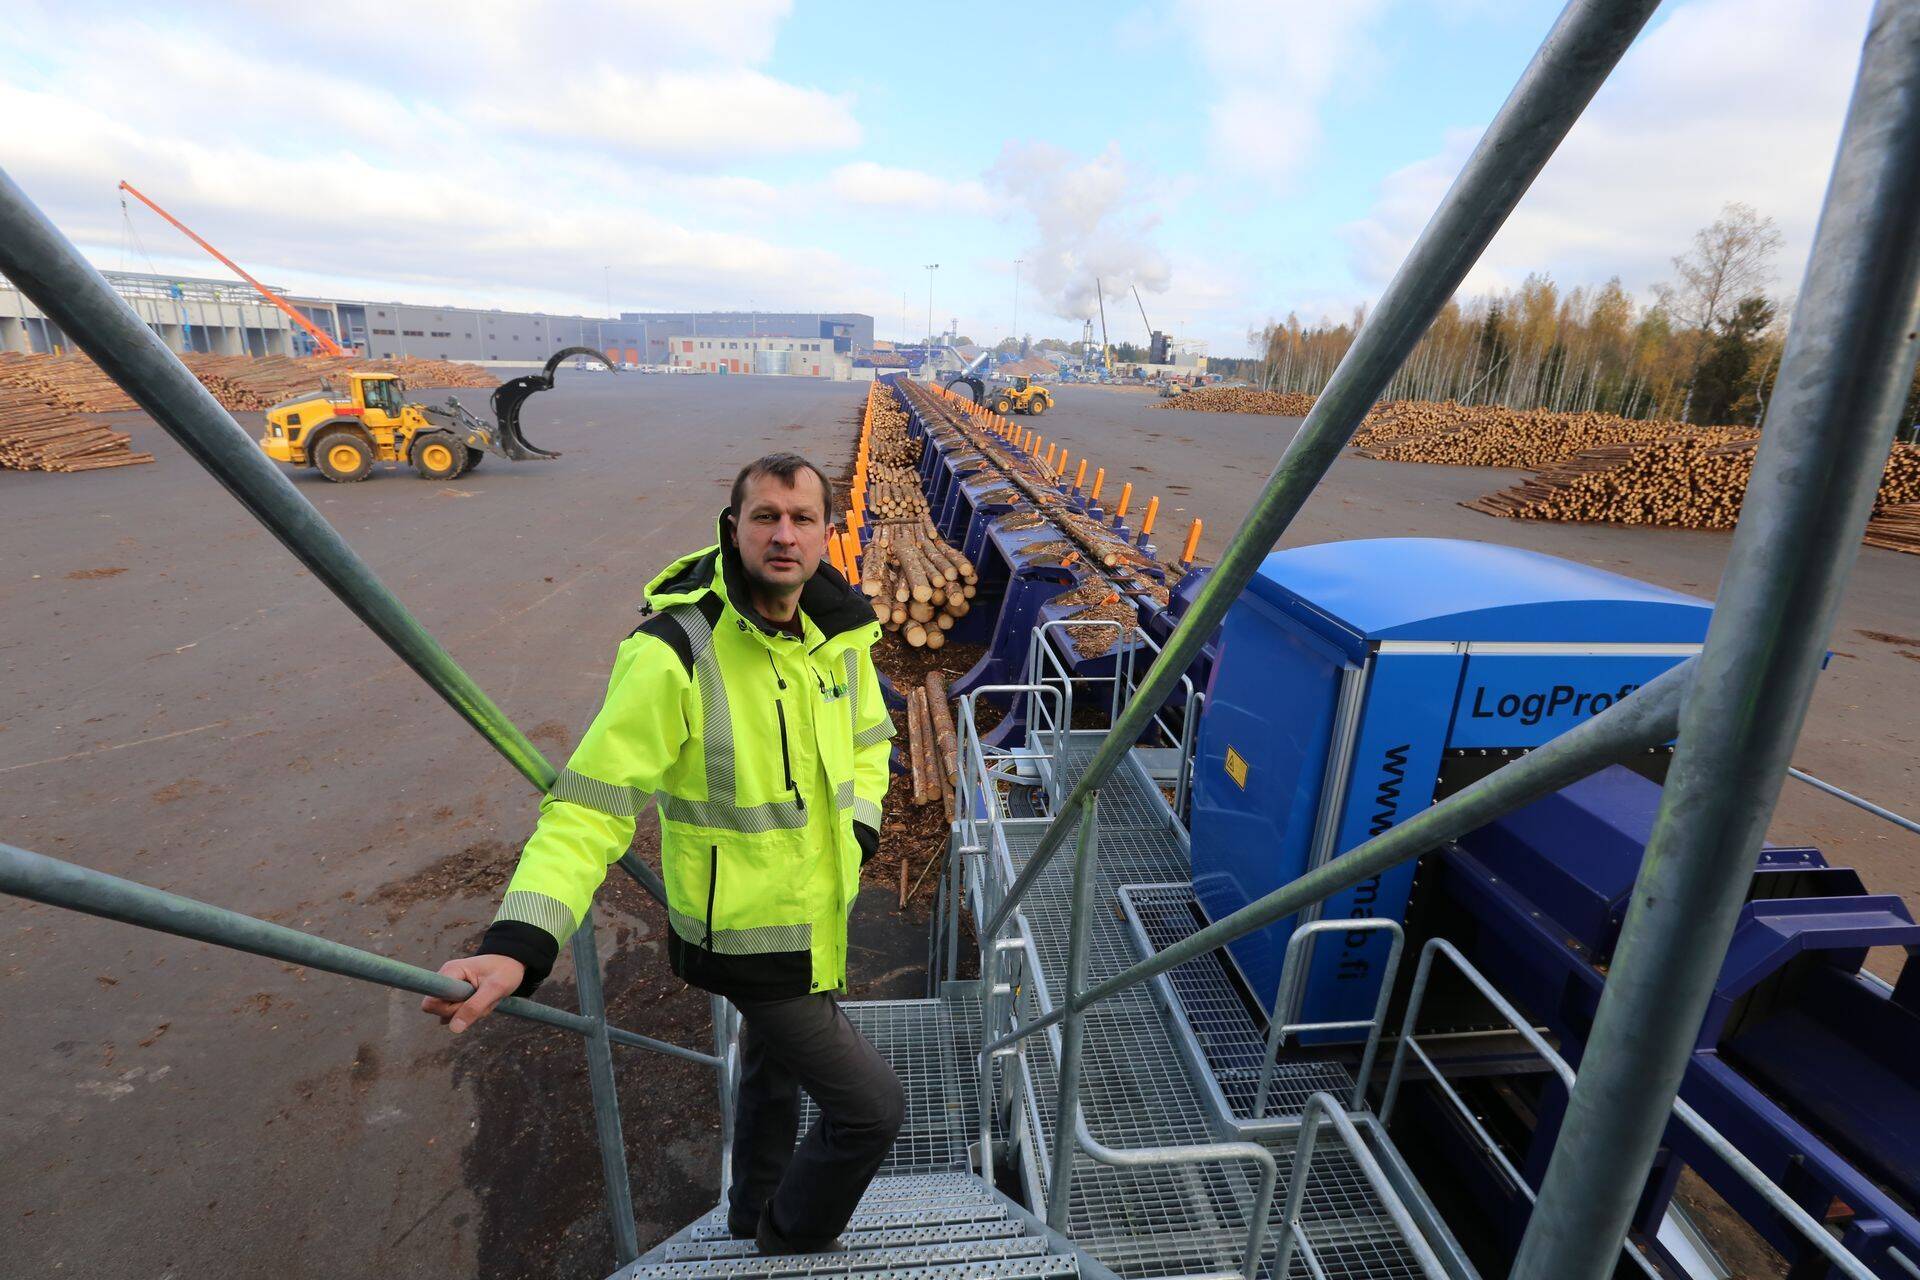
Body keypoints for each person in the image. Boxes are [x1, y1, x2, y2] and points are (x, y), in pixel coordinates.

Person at [421, 452, 904, 1254]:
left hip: (817, 911)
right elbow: (589, 808)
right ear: (733, 528)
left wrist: (857, 830)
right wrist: (519, 943)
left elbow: (869, 744)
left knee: (773, 1070)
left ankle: (752, 1210)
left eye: (802, 518)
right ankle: (790, 1245)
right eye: (764, 517)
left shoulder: (837, 639)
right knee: (871, 1108)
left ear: (827, 533)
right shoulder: (675, 652)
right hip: (743, 934)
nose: (784, 535)